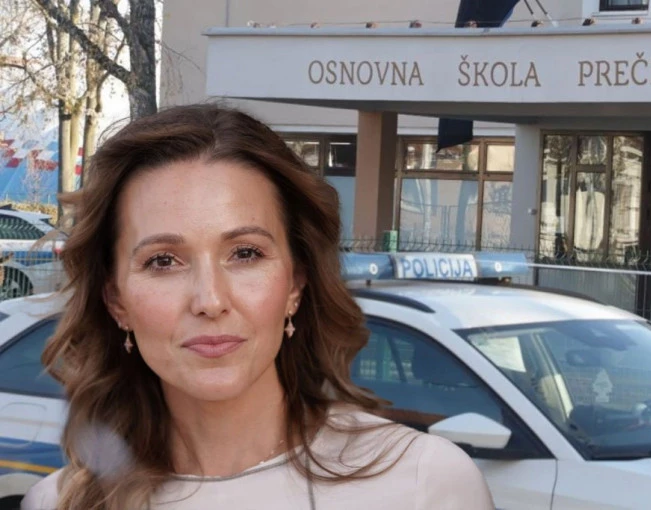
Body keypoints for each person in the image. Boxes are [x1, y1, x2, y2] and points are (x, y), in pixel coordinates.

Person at [21, 104, 495, 510]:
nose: (210, 301)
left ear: (296, 282)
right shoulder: (60, 502)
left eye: (245, 253)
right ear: (116, 300)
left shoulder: (421, 483)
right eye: (163, 261)